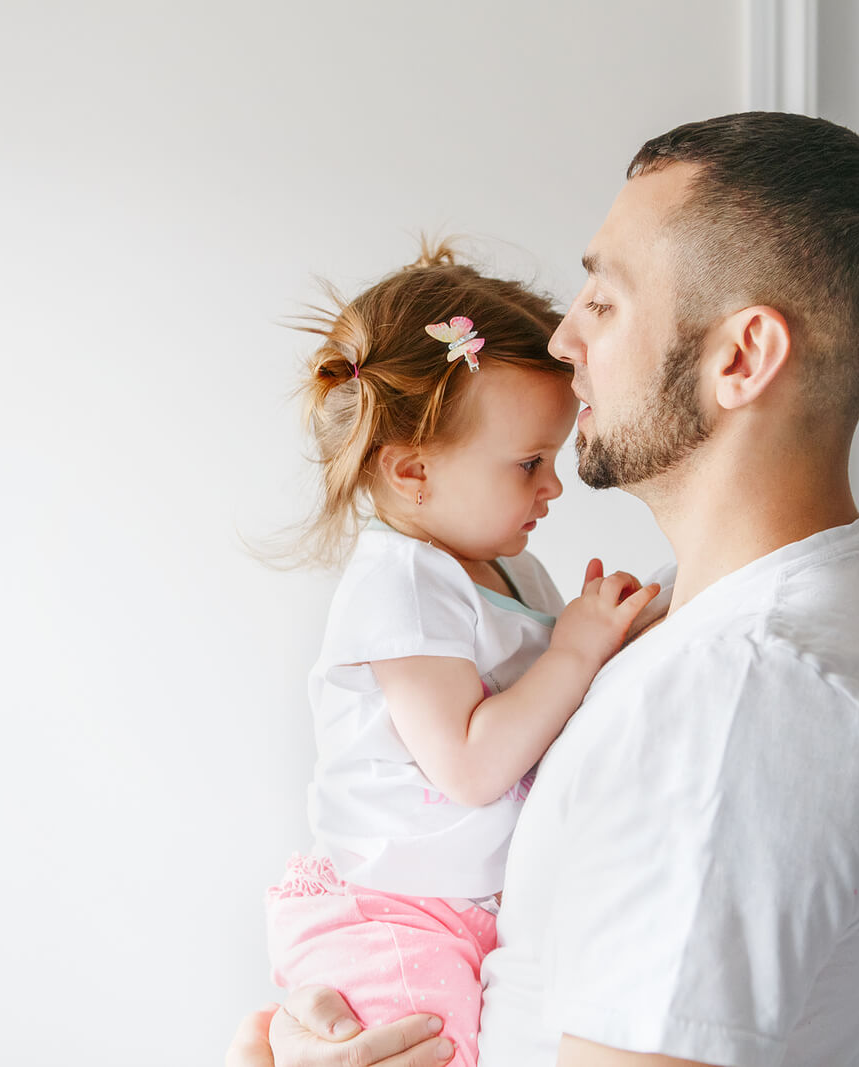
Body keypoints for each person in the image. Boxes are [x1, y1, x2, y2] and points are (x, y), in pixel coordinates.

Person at [229, 111, 859, 1067]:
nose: (565, 339)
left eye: (605, 301)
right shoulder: (684, 627)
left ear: (740, 358)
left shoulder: (746, 692)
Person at [262, 243, 663, 1067]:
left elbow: (558, 711)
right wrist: (577, 651)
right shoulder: (400, 584)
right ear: (411, 469)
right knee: (426, 1049)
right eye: (527, 465)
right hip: (394, 918)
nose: (553, 487)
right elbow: (473, 764)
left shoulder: (512, 568)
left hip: (457, 909)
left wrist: (603, 640)